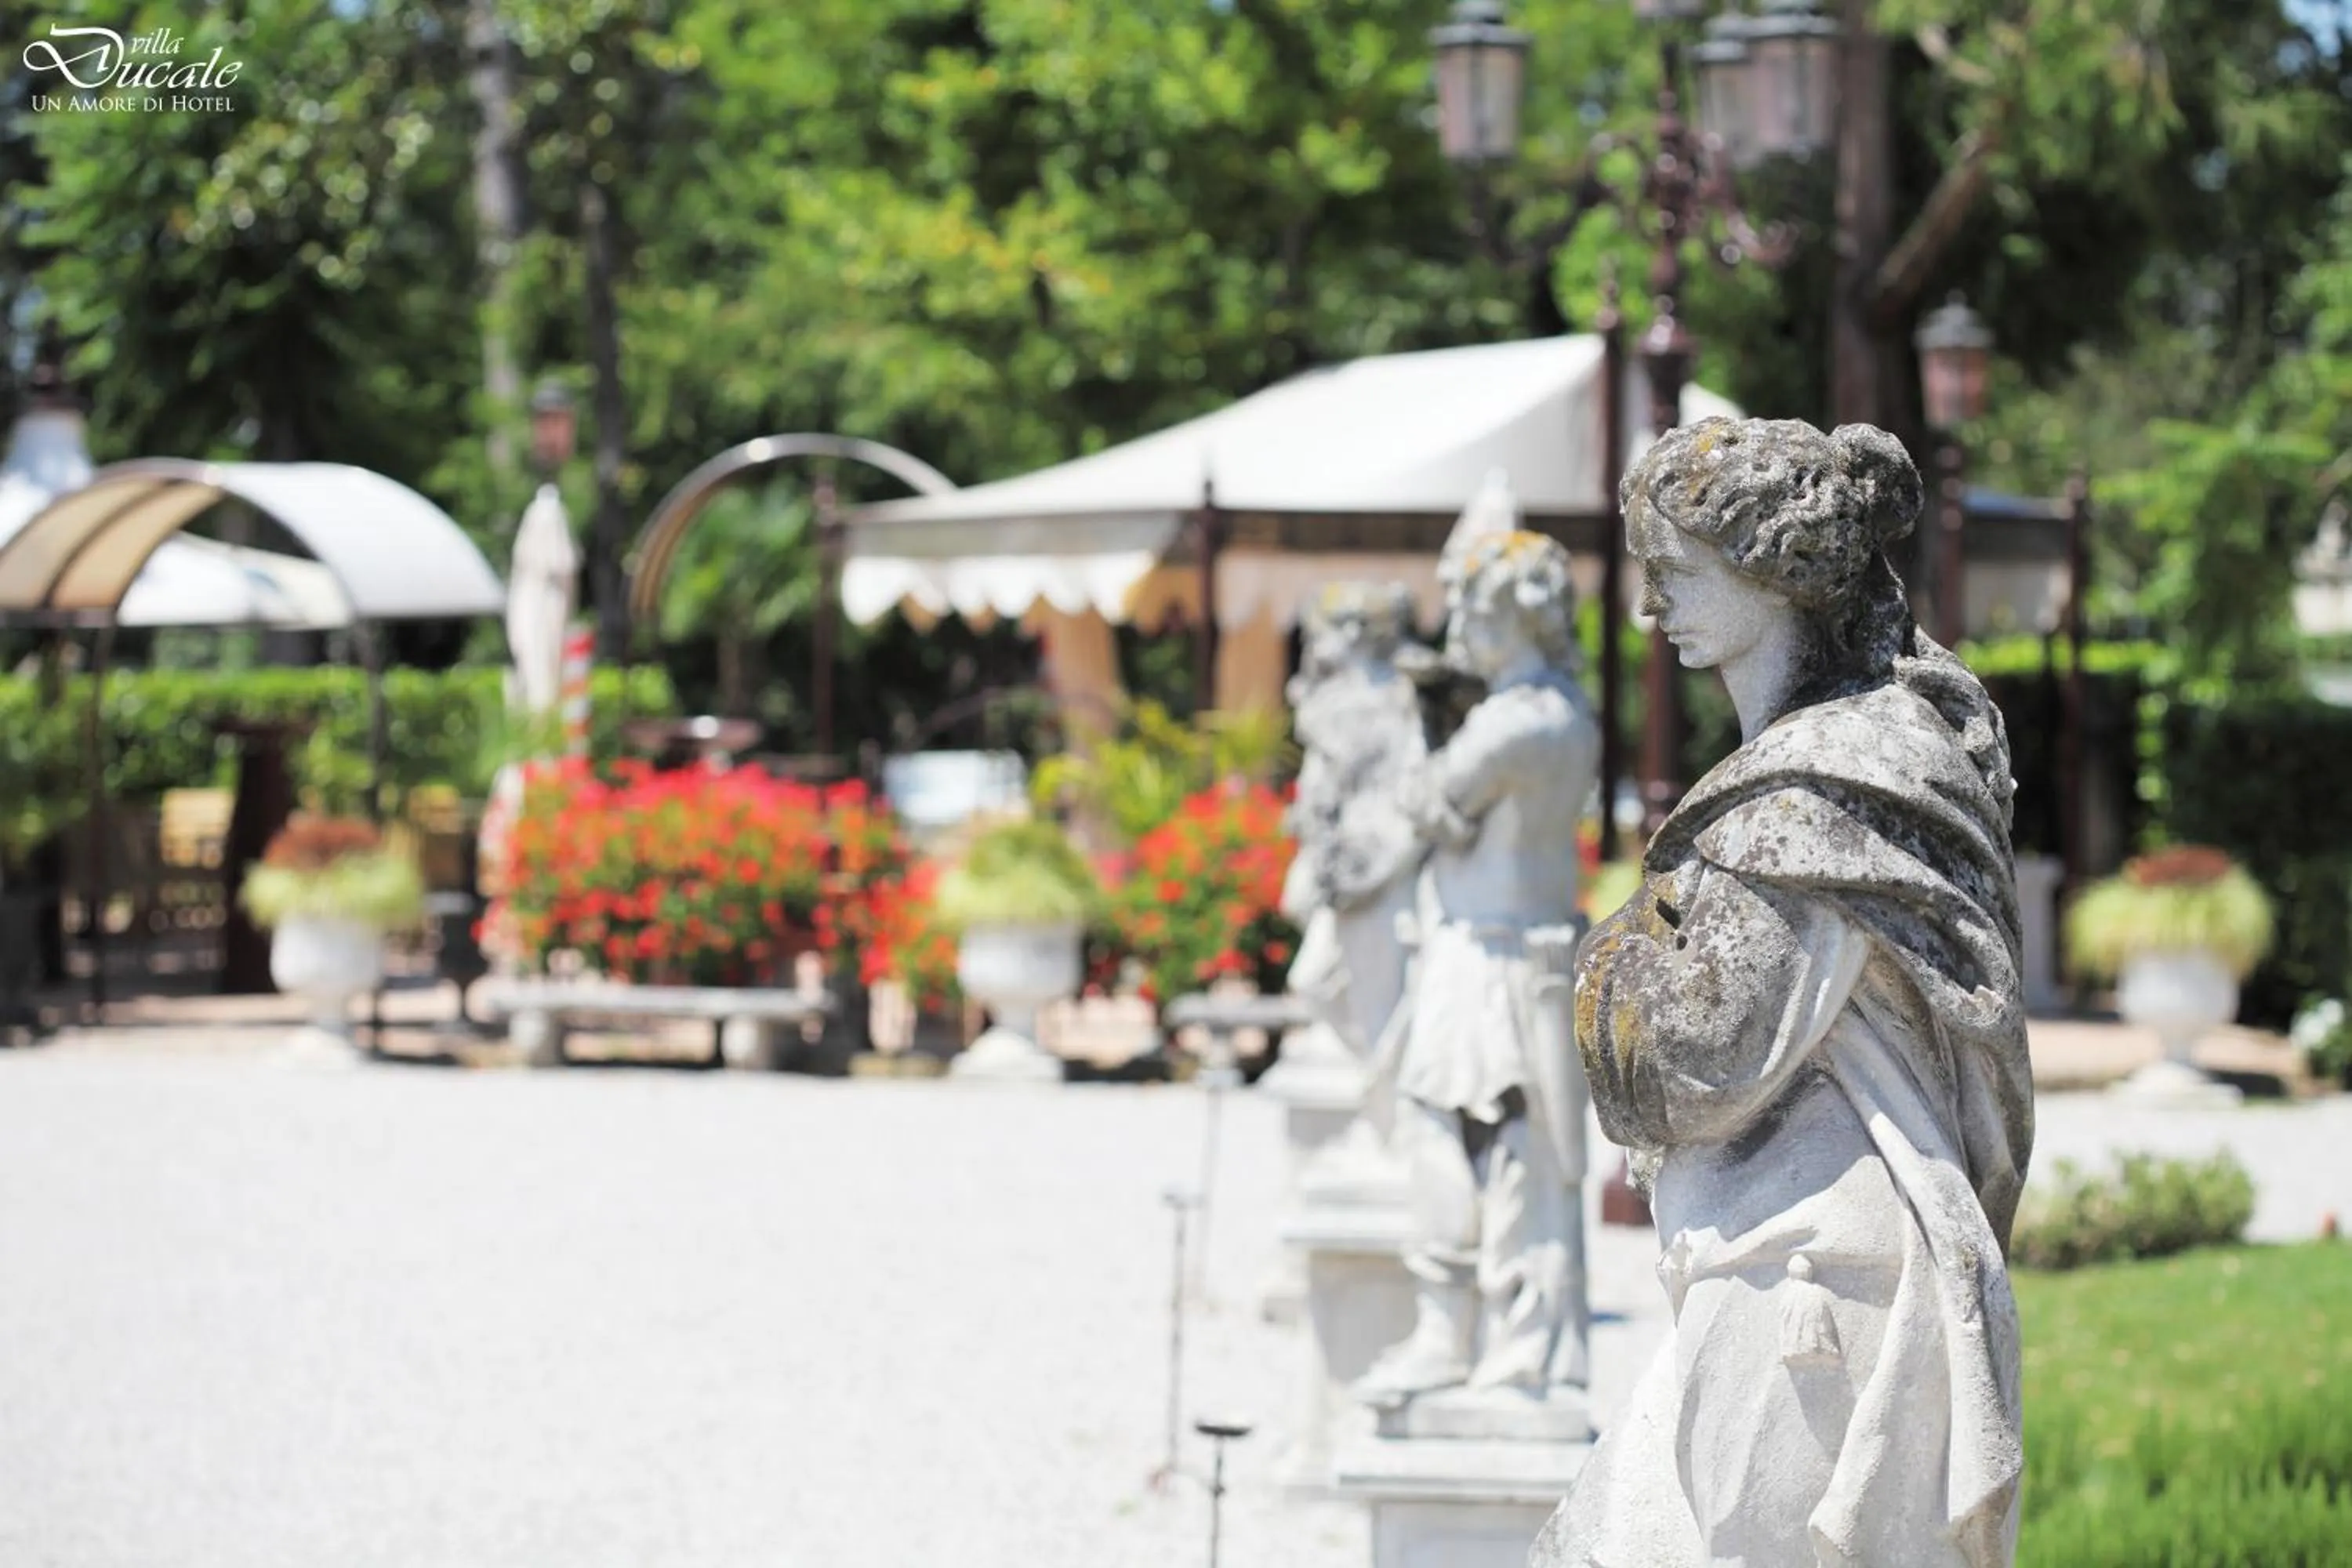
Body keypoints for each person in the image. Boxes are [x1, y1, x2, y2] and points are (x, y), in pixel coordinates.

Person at [1536, 418, 2033, 1567]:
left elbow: (1698, 1055)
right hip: (1795, 1254)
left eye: (1673, 571)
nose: (1651, 607)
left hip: (1812, 1283)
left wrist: (1602, 959)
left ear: (1772, 570)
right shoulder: (1837, 765)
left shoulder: (1825, 790)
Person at [1352, 530, 1599, 1406]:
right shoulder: (1571, 711)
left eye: (1469, 607)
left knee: (1445, 1131)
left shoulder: (1511, 723)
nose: (1457, 625)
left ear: (1508, 615)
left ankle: (1448, 1333)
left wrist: (1421, 737)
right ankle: (1517, 1335)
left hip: (1483, 952)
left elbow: (1428, 805)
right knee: (1520, 1149)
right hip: (1526, 943)